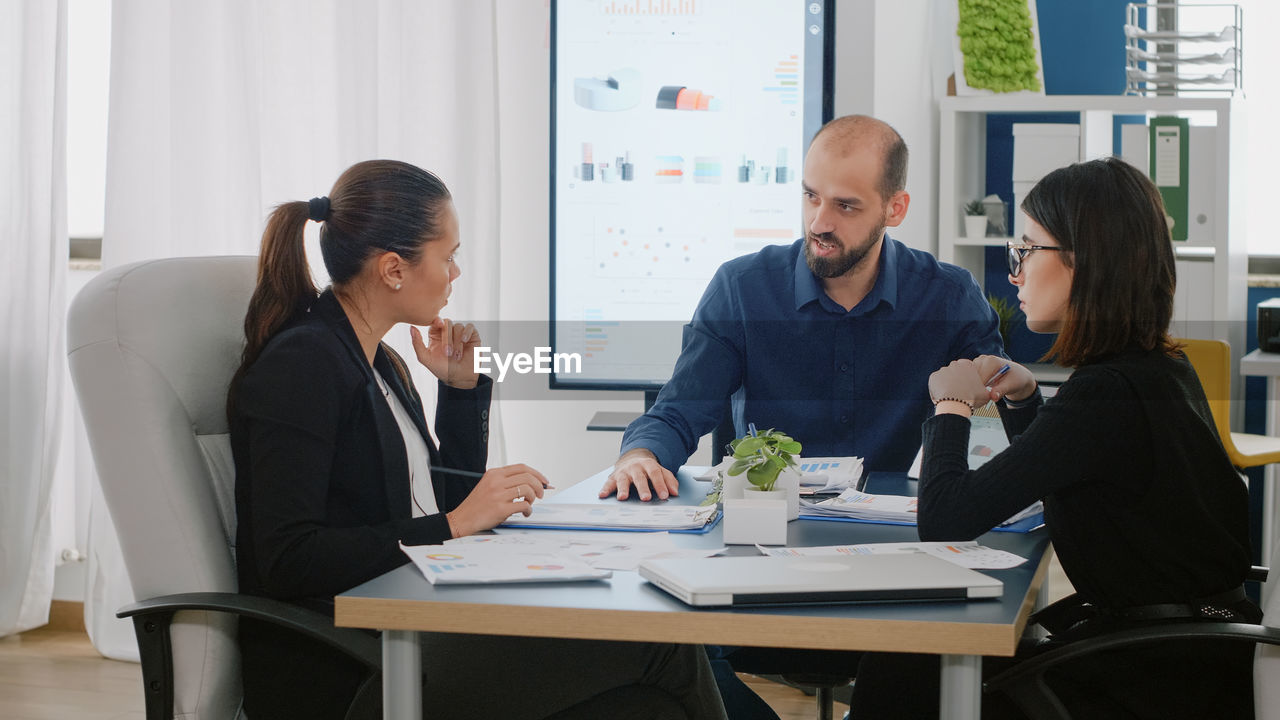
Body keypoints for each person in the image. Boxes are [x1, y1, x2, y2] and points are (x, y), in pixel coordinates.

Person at [229, 159, 728, 720]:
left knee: (643, 708)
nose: (455, 273)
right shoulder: (304, 365)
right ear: (394, 269)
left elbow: (431, 503)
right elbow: (287, 559)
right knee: (663, 644)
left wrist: (460, 391)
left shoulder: (379, 361)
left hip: (408, 624)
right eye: (449, 257)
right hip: (349, 664)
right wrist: (457, 524)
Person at [597, 115, 1004, 719]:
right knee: (666, 645)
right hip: (760, 557)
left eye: (845, 205)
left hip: (892, 564)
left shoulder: (948, 296)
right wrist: (641, 454)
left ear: (895, 208)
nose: (820, 222)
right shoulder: (741, 288)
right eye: (811, 196)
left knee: (956, 655)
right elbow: (682, 407)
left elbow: (993, 428)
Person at [850, 156, 1260, 719]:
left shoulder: (1105, 392)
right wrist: (1024, 401)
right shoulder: (1155, 368)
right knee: (911, 662)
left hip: (1153, 679)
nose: (1014, 273)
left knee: (904, 663)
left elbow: (945, 521)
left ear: (1085, 261)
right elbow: (1066, 467)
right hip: (1193, 655)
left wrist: (949, 406)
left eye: (1027, 250)